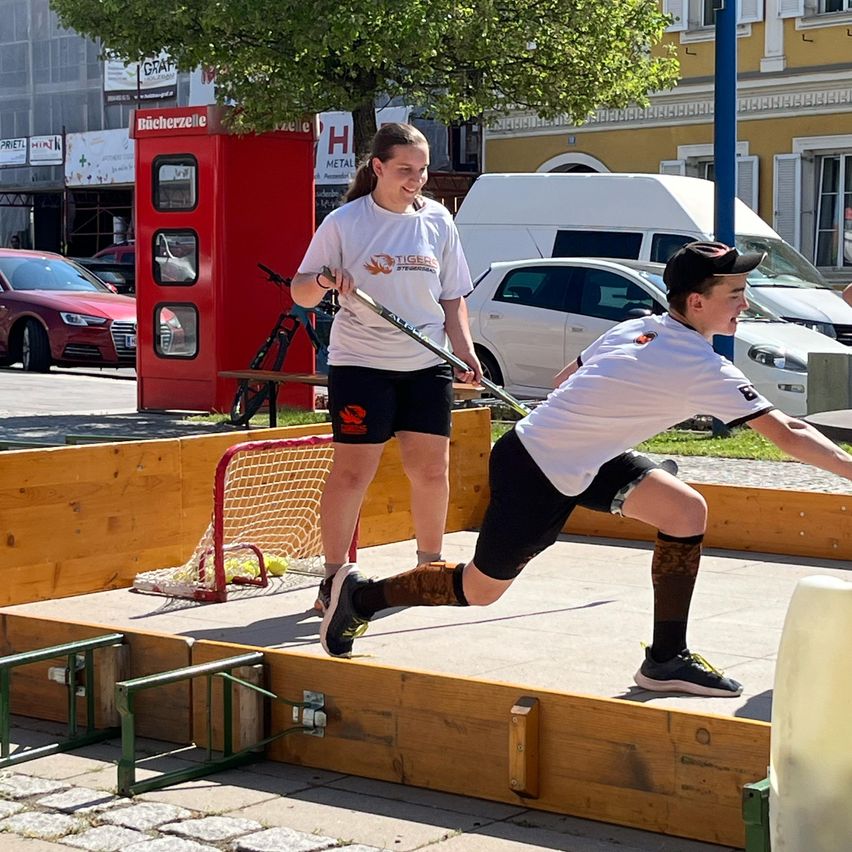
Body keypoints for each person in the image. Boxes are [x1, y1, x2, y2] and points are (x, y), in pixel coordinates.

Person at [320, 240, 852, 697]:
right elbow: (790, 434)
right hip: (535, 469)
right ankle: (361, 597)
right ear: (697, 301)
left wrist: (603, 415)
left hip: (581, 455)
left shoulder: (641, 326)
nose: (745, 304)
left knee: (685, 510)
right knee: (481, 589)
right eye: (734, 295)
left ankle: (666, 660)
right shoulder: (700, 364)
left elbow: (563, 377)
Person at [291, 122, 482, 615]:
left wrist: (463, 348)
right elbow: (300, 291)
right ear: (378, 167)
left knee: (430, 470)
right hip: (362, 364)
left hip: (425, 363)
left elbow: (452, 295)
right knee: (353, 474)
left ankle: (428, 570)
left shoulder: (438, 220)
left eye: (421, 171)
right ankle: (333, 580)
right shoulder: (345, 222)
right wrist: (327, 279)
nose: (415, 180)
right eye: (404, 170)